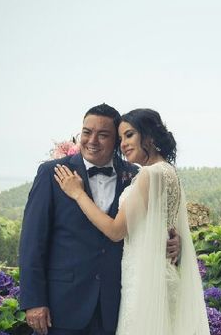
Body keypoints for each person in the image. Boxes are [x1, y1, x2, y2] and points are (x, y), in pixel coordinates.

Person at [19, 104, 181, 335]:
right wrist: (34, 300)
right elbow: (32, 242)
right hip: (62, 305)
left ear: (117, 142)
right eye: (86, 132)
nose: (92, 140)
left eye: (103, 135)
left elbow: (151, 223)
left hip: (115, 304)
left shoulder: (135, 176)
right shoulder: (53, 173)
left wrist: (174, 241)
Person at [54, 108, 210, 335]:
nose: (123, 144)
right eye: (120, 138)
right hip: (162, 274)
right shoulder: (169, 172)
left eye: (129, 135)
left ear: (148, 136)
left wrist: (78, 193)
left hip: (145, 280)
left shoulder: (148, 175)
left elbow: (116, 231)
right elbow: (164, 223)